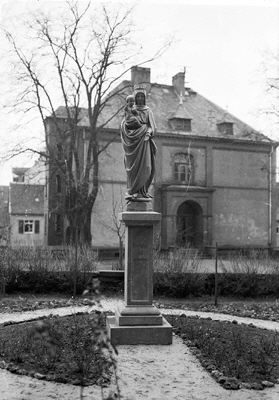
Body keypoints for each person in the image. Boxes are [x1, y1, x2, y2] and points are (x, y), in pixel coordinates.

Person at [120, 85, 157, 201]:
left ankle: (143, 191)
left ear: (145, 98)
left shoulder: (148, 110)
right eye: (138, 96)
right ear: (134, 98)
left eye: (142, 96)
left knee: (147, 166)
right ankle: (133, 191)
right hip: (133, 145)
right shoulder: (130, 109)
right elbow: (124, 124)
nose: (140, 99)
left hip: (145, 142)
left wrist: (148, 133)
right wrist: (128, 126)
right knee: (134, 169)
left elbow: (153, 127)